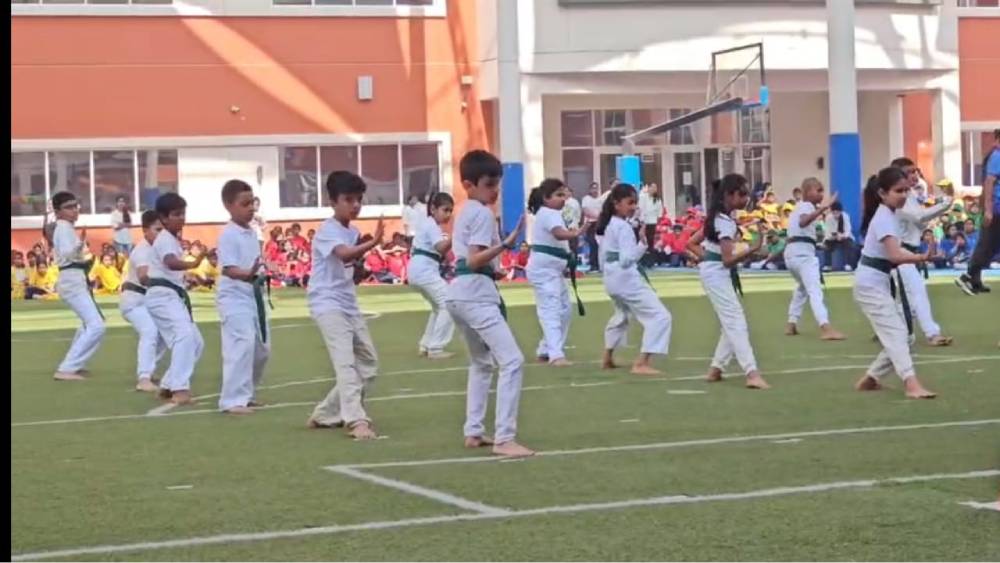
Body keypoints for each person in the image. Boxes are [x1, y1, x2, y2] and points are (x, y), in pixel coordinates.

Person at [445, 149, 532, 458]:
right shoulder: (480, 213)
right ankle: (504, 438)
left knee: (482, 363)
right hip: (475, 295)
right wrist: (505, 245)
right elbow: (473, 259)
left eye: (497, 184)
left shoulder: (466, 211)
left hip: (460, 294)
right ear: (469, 185)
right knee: (512, 360)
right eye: (489, 185)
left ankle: (474, 431)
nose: (495, 191)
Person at [306, 171, 386, 440]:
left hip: (347, 302)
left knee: (369, 363)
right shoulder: (328, 230)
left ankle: (326, 413)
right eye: (348, 199)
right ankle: (356, 420)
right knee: (345, 363)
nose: (355, 205)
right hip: (326, 302)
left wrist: (362, 264)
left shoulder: (352, 232)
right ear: (332, 201)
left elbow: (351, 267)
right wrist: (373, 243)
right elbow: (342, 254)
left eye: (359, 199)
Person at [853, 167, 936, 399]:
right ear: (882, 193)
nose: (904, 195)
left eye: (906, 190)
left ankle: (871, 379)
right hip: (870, 283)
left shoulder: (890, 215)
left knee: (904, 336)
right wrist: (920, 258)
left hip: (878, 280)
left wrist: (921, 255)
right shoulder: (883, 218)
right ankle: (911, 384)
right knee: (898, 334)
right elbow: (894, 255)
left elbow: (895, 251)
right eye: (898, 191)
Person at [687, 174, 769, 390]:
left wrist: (707, 259)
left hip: (714, 272)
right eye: (742, 194)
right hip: (717, 274)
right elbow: (727, 260)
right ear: (729, 195)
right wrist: (752, 249)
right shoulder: (723, 222)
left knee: (730, 321)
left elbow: (692, 243)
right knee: (735, 321)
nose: (746, 198)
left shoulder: (718, 218)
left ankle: (717, 368)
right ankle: (751, 373)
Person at [597, 183, 672, 376]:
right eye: (630, 203)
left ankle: (607, 357)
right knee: (660, 316)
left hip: (611, 278)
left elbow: (605, 257)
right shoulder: (622, 227)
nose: (634, 207)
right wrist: (642, 245)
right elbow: (626, 260)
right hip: (625, 278)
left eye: (635, 203)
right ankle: (642, 362)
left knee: (621, 315)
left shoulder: (609, 224)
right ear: (616, 204)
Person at [216, 179, 271, 415]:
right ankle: (231, 400)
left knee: (262, 349)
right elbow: (229, 269)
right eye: (244, 204)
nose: (251, 208)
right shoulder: (228, 234)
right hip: (233, 297)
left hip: (252, 295)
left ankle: (247, 395)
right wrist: (248, 274)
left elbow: (254, 264)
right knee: (242, 345)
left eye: (252, 203)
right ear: (229, 206)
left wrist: (261, 272)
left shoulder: (251, 232)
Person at [146, 193, 207, 406]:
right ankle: (180, 389)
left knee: (196, 342)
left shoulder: (172, 239)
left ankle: (168, 385)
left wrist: (189, 276)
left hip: (171, 295)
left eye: (183, 213)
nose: (181, 218)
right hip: (162, 295)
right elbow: (170, 262)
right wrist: (193, 264)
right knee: (184, 336)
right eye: (176, 214)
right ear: (163, 218)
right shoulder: (164, 239)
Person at [892, 157, 954, 346]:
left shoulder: (909, 195)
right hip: (899, 253)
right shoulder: (899, 198)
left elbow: (918, 221)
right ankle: (932, 333)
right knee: (916, 292)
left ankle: (892, 329)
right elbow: (919, 216)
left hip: (908, 252)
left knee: (906, 299)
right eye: (909, 172)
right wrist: (946, 202)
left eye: (915, 171)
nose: (914, 176)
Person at [47, 191, 106, 382]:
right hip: (71, 279)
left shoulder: (65, 228)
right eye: (69, 207)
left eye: (75, 206)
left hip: (75, 278)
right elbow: (67, 254)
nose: (74, 210)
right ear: (58, 211)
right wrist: (80, 244)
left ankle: (75, 364)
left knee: (87, 324)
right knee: (96, 325)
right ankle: (67, 368)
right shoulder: (63, 228)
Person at [526, 178, 581, 367]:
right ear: (546, 198)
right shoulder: (549, 213)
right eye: (558, 195)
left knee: (564, 309)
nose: (563, 199)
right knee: (551, 310)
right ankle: (556, 355)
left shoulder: (550, 213)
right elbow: (558, 233)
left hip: (552, 270)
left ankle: (546, 349)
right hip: (544, 271)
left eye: (564, 195)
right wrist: (576, 233)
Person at [784, 178, 846, 340]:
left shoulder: (799, 207)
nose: (821, 194)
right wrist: (824, 207)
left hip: (792, 254)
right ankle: (825, 327)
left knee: (802, 288)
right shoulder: (806, 206)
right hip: (802, 255)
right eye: (818, 190)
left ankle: (791, 322)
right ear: (807, 192)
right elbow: (803, 222)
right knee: (815, 290)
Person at [120, 210, 167, 393]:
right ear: (145, 230)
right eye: (157, 229)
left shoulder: (158, 248)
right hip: (134, 301)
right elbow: (143, 276)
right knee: (150, 330)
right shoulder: (142, 250)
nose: (161, 234)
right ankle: (144, 378)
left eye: (163, 229)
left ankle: (149, 369)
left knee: (164, 331)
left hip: (147, 301)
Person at [409, 192, 456, 360]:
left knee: (438, 307)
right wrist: (456, 235)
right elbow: (441, 248)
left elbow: (444, 252)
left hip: (420, 269)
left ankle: (426, 345)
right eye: (445, 210)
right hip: (423, 270)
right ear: (433, 209)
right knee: (449, 303)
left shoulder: (430, 225)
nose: (448, 214)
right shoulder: (431, 225)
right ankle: (435, 348)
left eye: (450, 211)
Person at [638, 183, 665, 267]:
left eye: (655, 188)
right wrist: (641, 220)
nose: (654, 189)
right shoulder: (643, 197)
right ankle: (640, 260)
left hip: (652, 222)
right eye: (652, 187)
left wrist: (658, 221)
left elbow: (660, 212)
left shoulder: (657, 199)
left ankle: (650, 262)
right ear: (649, 188)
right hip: (642, 222)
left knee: (650, 242)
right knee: (642, 241)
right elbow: (640, 208)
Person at [581, 182, 604, 273]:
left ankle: (599, 265)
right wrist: (598, 217)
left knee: (600, 244)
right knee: (592, 244)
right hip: (590, 224)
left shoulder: (600, 199)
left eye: (596, 188)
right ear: (590, 190)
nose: (595, 190)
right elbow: (586, 211)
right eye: (593, 188)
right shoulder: (586, 199)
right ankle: (593, 265)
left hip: (599, 224)